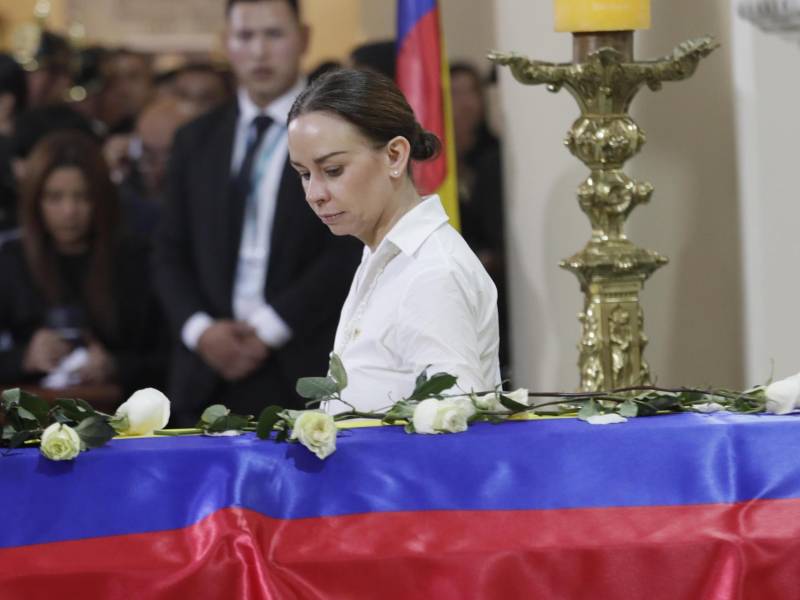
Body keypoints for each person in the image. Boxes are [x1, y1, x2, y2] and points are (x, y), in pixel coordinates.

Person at [155, 0, 361, 424]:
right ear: (226, 43)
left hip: (304, 364)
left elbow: (349, 247)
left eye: (274, 34)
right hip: (205, 371)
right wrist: (201, 330)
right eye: (245, 36)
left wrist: (270, 328)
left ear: (303, 38)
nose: (259, 51)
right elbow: (169, 250)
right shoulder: (196, 139)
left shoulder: (341, 132)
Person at [287, 68, 501, 412]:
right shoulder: (383, 254)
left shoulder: (431, 272)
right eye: (303, 174)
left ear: (395, 156)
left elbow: (453, 422)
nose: (314, 194)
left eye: (333, 170)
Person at [0, 131, 165, 397]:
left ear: (101, 199)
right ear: (35, 201)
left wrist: (114, 365)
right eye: (55, 197)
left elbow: (167, 359)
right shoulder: (12, 259)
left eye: (83, 197)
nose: (69, 211)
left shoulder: (136, 259)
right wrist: (25, 357)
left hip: (117, 407)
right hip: (31, 408)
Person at [450, 61, 511, 379]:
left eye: (471, 92)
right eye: (455, 93)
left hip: (492, 285)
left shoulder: (496, 156)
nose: (465, 103)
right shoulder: (432, 166)